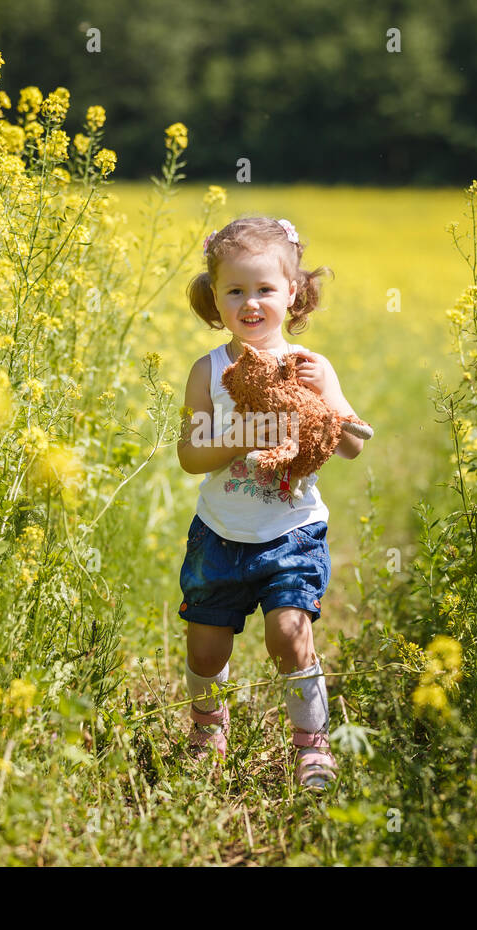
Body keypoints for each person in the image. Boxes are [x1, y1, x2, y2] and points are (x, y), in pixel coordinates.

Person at [175, 215, 365, 789]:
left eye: (265, 289)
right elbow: (189, 453)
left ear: (293, 294)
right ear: (215, 298)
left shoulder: (313, 366)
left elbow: (353, 443)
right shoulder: (208, 370)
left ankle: (312, 745)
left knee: (287, 633)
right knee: (206, 650)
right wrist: (243, 437)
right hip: (220, 532)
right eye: (235, 290)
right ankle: (209, 729)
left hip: (292, 529)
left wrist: (326, 394)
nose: (250, 303)